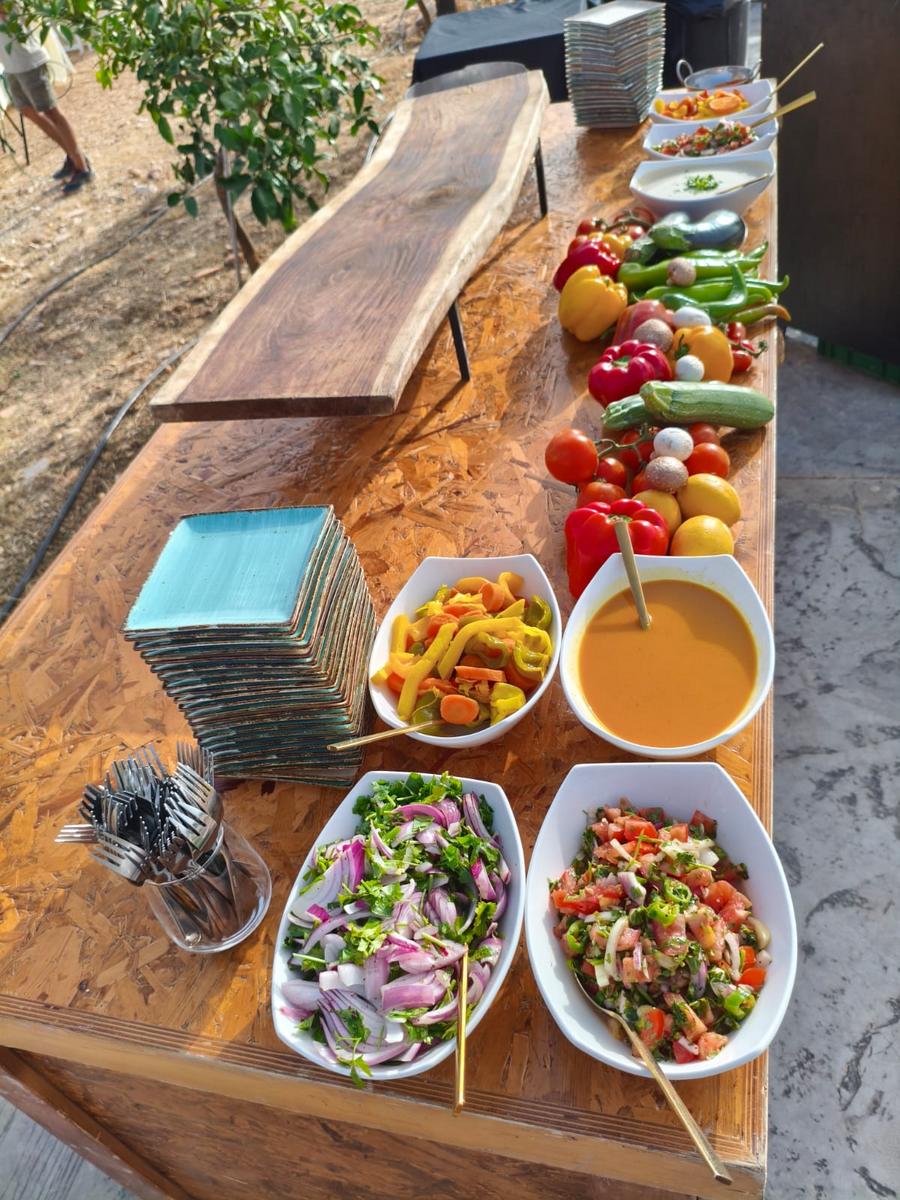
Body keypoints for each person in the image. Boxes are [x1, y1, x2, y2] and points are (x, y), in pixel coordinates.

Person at [0, 18, 93, 193]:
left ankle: (82, 168)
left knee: (51, 112)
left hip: (28, 61)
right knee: (28, 111)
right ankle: (73, 155)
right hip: (11, 65)